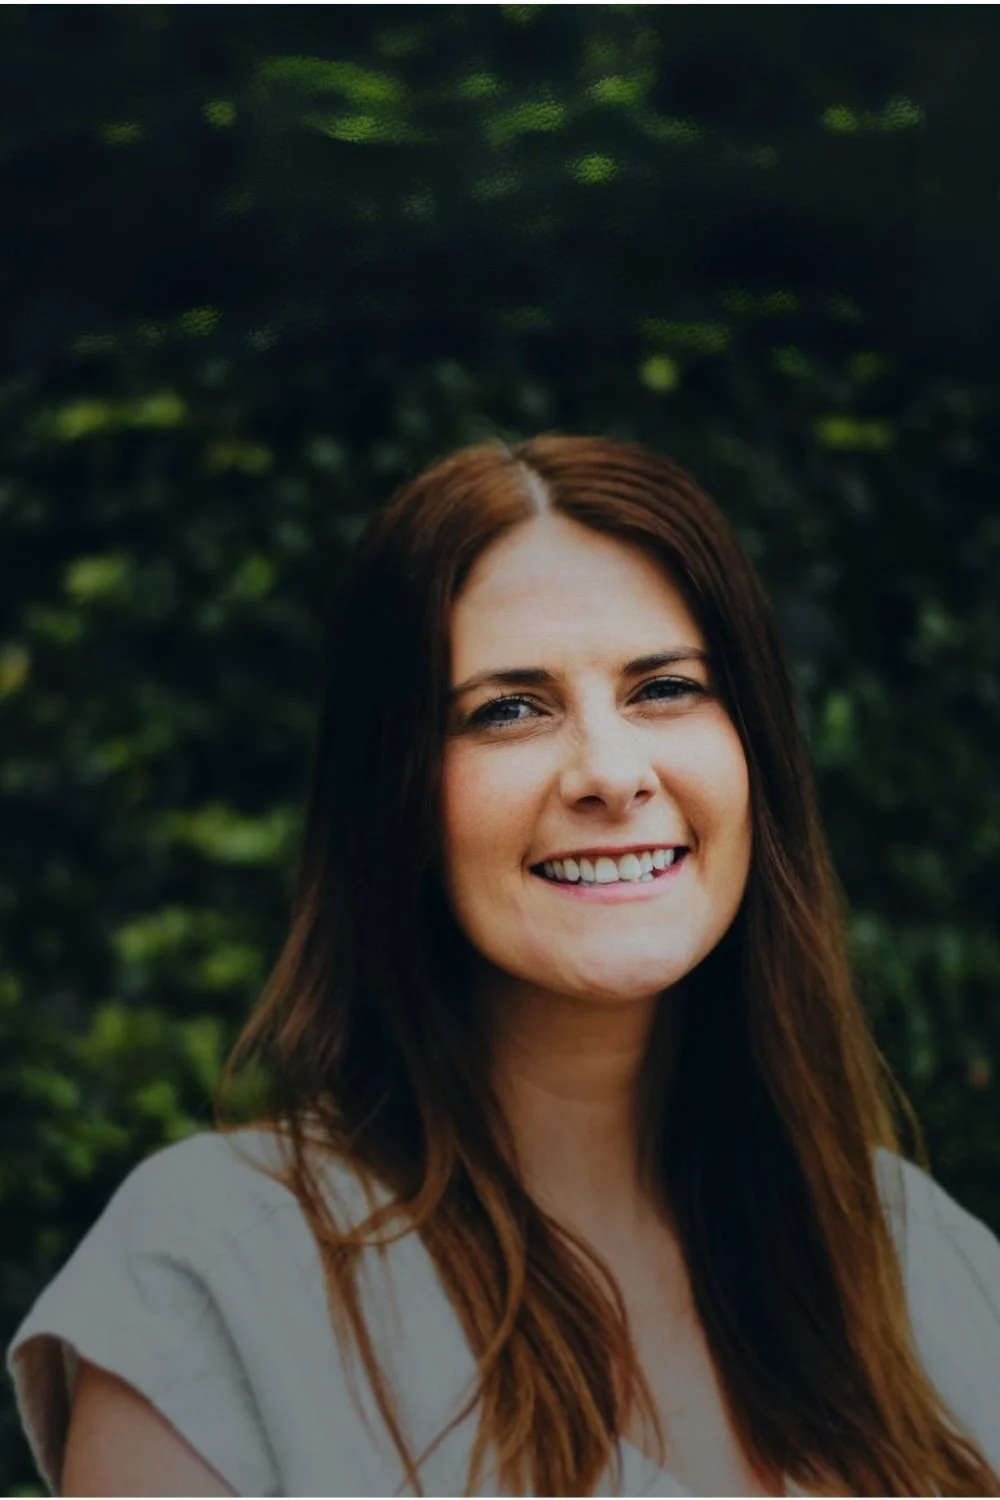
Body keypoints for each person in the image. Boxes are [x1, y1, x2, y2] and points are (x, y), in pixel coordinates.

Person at [6, 434, 1000, 1498]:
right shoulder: (218, 1280)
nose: (611, 772)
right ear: (392, 795)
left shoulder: (917, 1260)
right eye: (508, 709)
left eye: (665, 688)